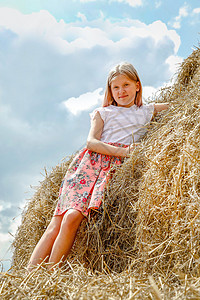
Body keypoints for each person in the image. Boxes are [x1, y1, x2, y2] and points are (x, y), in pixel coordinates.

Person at [27, 62, 169, 271]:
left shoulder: (147, 111)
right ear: (110, 90)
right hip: (89, 166)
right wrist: (125, 151)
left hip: (109, 172)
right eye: (116, 87)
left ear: (137, 85)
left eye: (126, 85)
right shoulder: (103, 113)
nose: (121, 91)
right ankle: (31, 277)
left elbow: (185, 104)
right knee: (62, 218)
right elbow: (91, 142)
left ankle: (50, 274)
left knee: (74, 218)